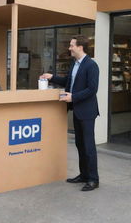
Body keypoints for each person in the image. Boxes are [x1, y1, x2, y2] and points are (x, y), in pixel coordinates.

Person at [41, 35, 99, 191]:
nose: (69, 48)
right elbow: (69, 82)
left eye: (72, 45)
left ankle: (93, 179)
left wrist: (73, 97)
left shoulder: (91, 65)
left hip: (87, 112)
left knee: (88, 146)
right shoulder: (75, 64)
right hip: (78, 110)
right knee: (80, 145)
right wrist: (52, 77)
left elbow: (92, 89)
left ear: (80, 47)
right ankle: (84, 175)